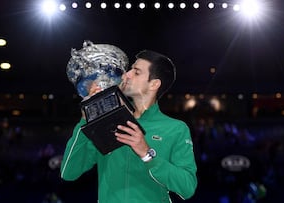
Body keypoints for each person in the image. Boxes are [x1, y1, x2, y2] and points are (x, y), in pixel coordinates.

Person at [60, 50, 198, 202]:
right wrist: (85, 120)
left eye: (136, 72)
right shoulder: (107, 121)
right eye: (130, 69)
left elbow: (187, 188)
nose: (126, 75)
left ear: (154, 84)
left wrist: (147, 154)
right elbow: (68, 173)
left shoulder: (175, 129)